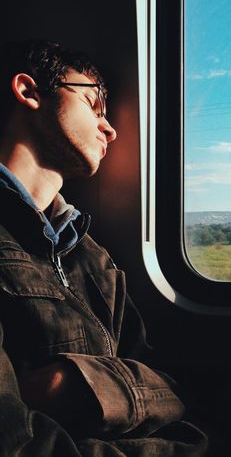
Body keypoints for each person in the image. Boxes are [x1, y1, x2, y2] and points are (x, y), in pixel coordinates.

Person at [0, 39, 207, 456]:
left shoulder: (92, 256)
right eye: (93, 104)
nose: (110, 128)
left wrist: (73, 384)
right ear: (29, 91)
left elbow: (171, 387)